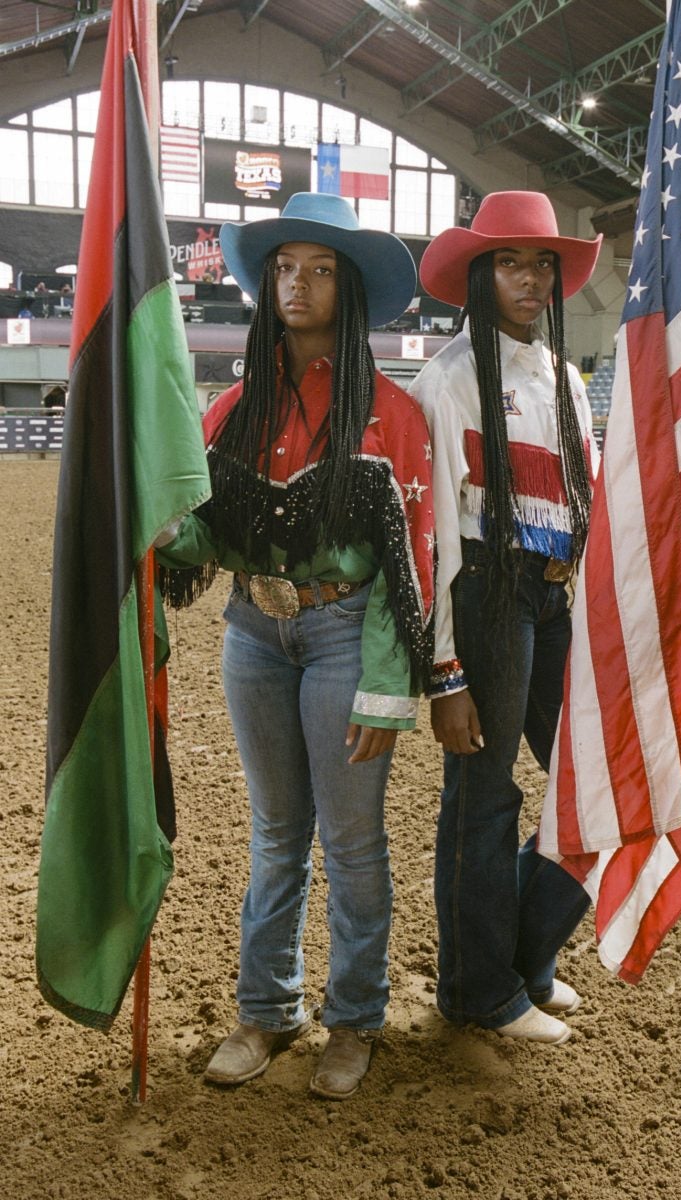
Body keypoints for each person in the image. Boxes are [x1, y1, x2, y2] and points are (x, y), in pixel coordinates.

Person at [157, 193, 434, 1098]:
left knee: (352, 841)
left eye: (319, 269)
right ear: (265, 283)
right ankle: (266, 1012)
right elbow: (206, 537)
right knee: (276, 835)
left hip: (347, 632)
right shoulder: (234, 409)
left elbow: (407, 567)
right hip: (253, 632)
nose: (298, 284)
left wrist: (389, 689)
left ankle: (354, 1021)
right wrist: (154, 525)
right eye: (284, 268)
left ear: (347, 291)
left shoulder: (391, 413)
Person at [408, 191, 602, 1045]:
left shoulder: (566, 381)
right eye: (512, 263)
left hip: (553, 596)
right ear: (481, 275)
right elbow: (438, 539)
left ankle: (523, 953)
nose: (529, 280)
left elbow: (582, 502)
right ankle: (477, 989)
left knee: (594, 781)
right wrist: (446, 672)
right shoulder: (447, 381)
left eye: (542, 266)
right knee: (486, 796)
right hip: (484, 593)